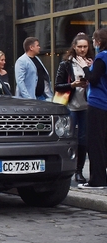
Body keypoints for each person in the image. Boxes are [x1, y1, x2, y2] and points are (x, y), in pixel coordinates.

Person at [54, 33, 92, 184]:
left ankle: (79, 171)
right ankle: (64, 170)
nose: (82, 49)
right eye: (79, 47)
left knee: (83, 139)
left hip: (86, 106)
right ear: (74, 47)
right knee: (67, 138)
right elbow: (57, 85)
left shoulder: (91, 62)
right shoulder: (66, 64)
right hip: (70, 106)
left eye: (85, 46)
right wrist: (72, 85)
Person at [75, 28, 107, 188]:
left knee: (95, 143)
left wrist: (85, 68)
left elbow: (93, 79)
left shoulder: (102, 56)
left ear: (99, 42)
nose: (92, 43)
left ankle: (97, 180)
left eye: (93, 40)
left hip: (98, 103)